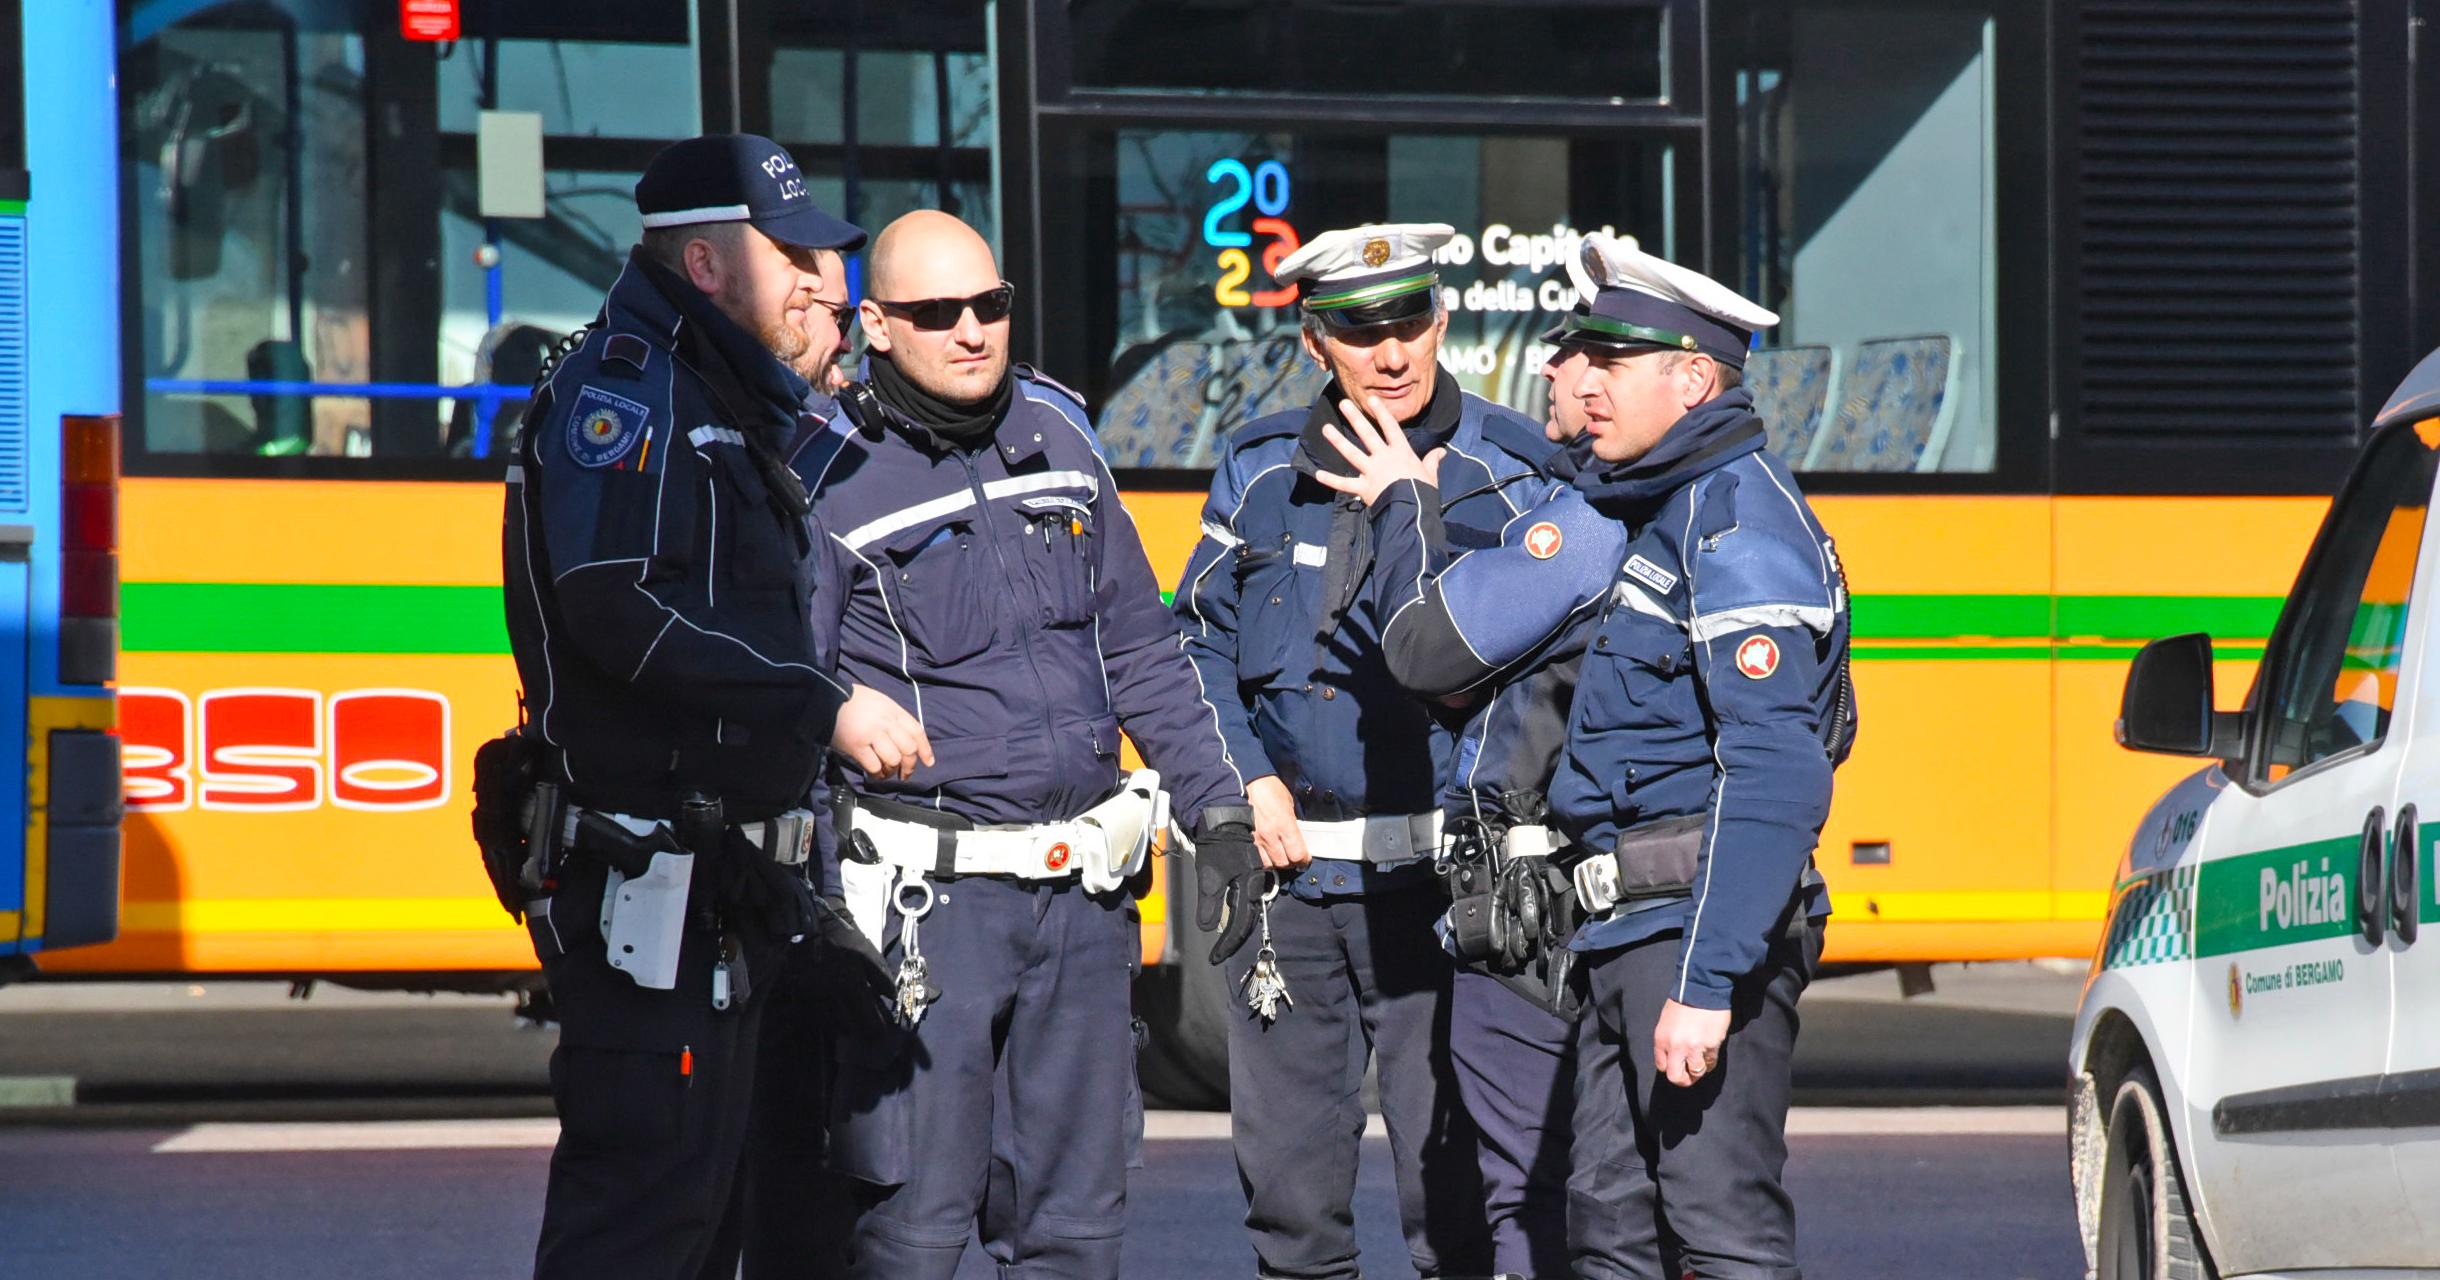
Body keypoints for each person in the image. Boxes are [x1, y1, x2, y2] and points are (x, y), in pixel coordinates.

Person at [1314, 232, 1855, 1280]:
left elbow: (1778, 770)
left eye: (1609, 362)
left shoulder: (1734, 526)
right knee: (1609, 1223)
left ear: (1692, 379)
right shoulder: (1639, 505)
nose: (1577, 380)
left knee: (1717, 1224)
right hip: (1621, 929)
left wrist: (1706, 981)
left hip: (1686, 925)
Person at [791, 210, 1255, 1280]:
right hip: (925, 913)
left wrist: (1217, 803)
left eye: (989, 306)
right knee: (909, 1231)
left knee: (1075, 1233)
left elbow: (1140, 644)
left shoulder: (1059, 431)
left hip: (1085, 911)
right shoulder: (820, 472)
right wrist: (818, 910)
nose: (969, 332)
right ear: (874, 323)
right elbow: (793, 693)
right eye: (935, 313)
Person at [497, 134, 928, 1280]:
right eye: (788, 253)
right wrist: (819, 703)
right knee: (644, 1220)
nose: (818, 280)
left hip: (723, 888)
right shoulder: (629, 389)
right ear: (703, 265)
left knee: (713, 1216)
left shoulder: (721, 393)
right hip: (654, 880)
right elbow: (614, 604)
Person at [1174, 221, 1562, 1280]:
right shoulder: (1257, 471)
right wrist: (1243, 779)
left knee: (1463, 1214)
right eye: (1360, 329)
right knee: (1293, 1213)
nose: (1390, 352)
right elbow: (1192, 645)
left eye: (1408, 321)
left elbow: (1546, 672)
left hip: (1444, 893)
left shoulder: (1509, 471)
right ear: (1314, 342)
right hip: (1293, 888)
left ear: (1440, 321)